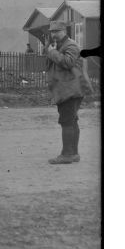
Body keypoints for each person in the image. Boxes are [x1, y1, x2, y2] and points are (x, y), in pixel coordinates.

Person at [44, 20, 93, 164]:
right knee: (72, 121)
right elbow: (51, 63)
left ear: (64, 31)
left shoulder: (71, 45)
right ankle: (74, 154)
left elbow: (68, 63)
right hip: (67, 88)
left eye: (57, 31)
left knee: (67, 121)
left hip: (71, 89)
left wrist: (52, 52)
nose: (54, 35)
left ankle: (67, 155)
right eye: (52, 32)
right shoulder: (58, 45)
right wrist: (49, 49)